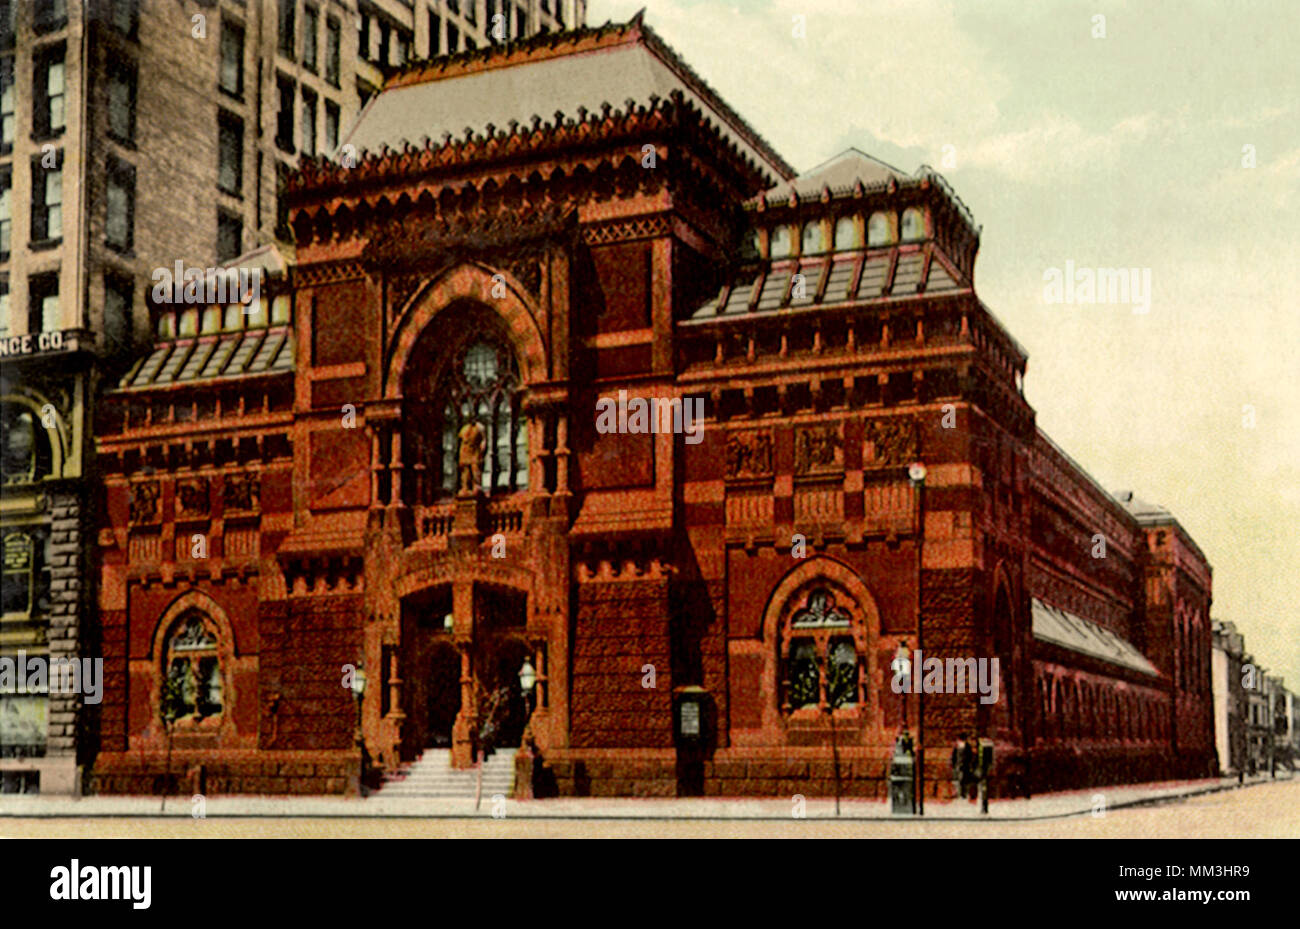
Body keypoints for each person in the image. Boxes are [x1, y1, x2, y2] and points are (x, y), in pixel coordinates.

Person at [951, 733, 970, 801]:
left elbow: (969, 757)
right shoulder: (957, 747)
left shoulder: (967, 747)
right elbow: (954, 756)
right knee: (957, 780)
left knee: (963, 780)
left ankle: (963, 794)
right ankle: (959, 794)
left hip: (964, 767)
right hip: (958, 766)